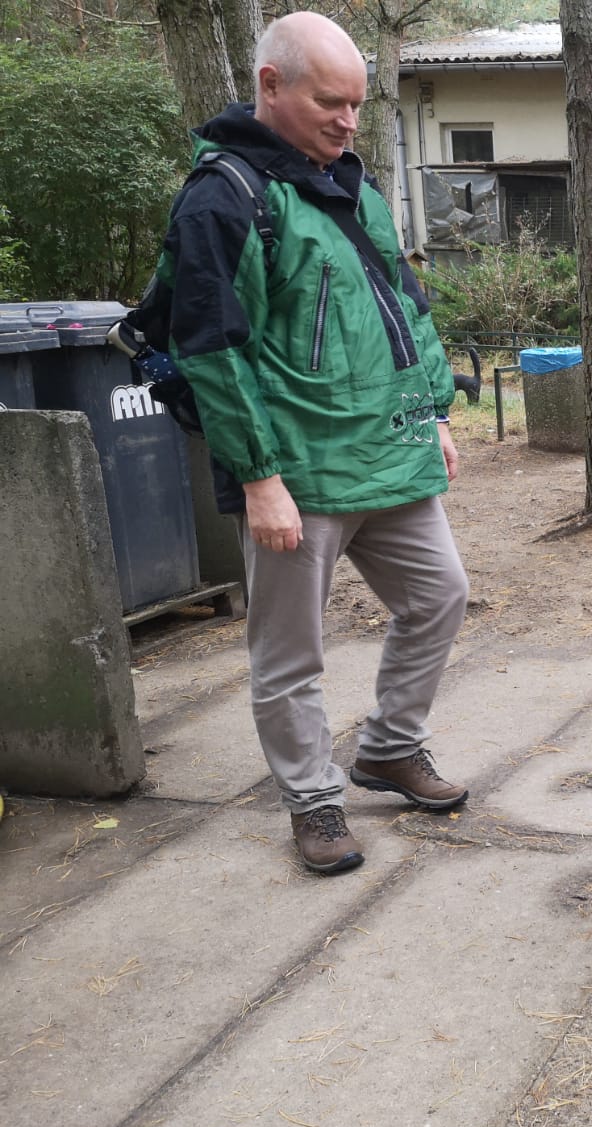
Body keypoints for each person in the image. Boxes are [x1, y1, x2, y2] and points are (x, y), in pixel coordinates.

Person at [160, 12, 470, 874]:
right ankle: (313, 799)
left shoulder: (350, 186)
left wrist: (435, 412)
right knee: (291, 653)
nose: (348, 121)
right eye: (331, 102)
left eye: (357, 105)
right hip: (296, 469)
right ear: (271, 85)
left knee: (440, 596)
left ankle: (390, 747)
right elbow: (212, 348)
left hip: (386, 452)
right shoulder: (224, 196)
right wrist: (258, 477)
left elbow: (405, 305)